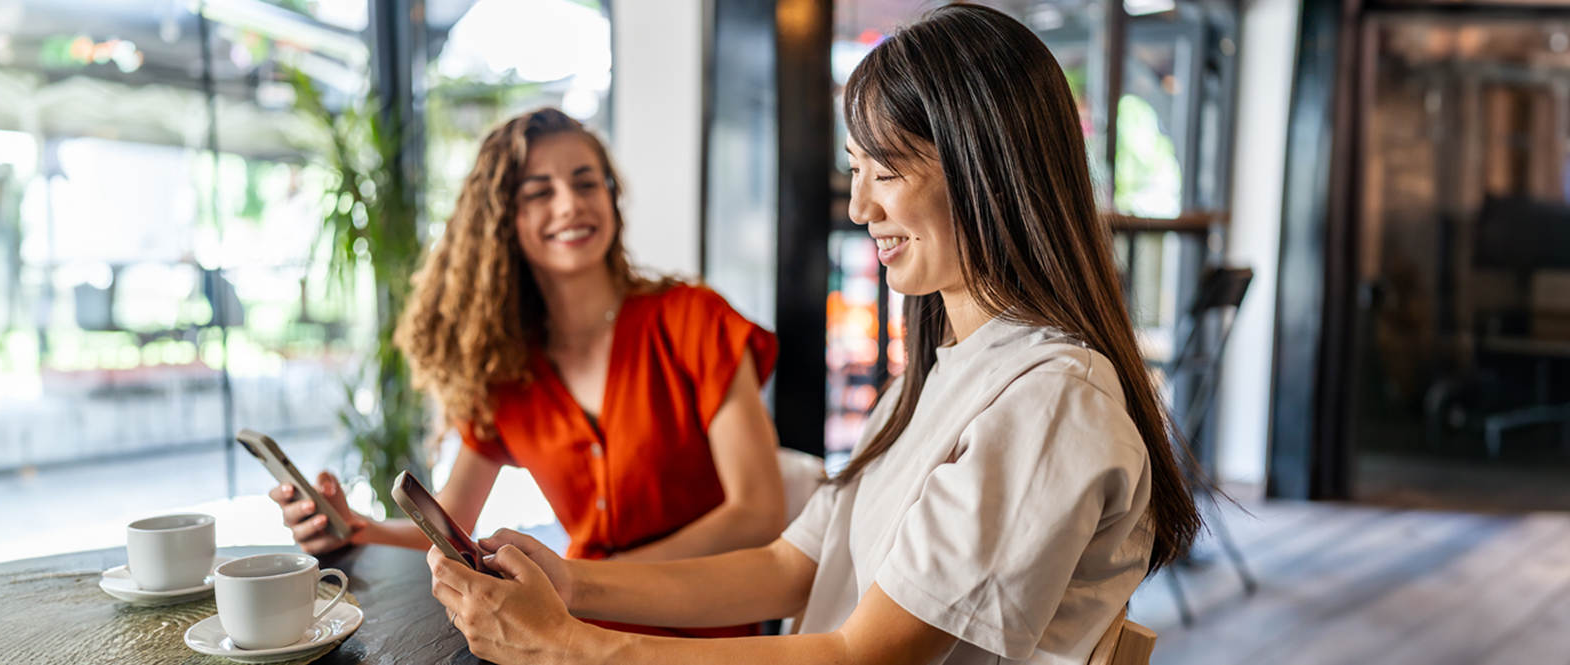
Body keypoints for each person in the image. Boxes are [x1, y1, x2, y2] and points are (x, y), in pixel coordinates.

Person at [423, 5, 1203, 664]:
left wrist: (569, 645)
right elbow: (791, 563)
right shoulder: (936, 375)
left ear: (988, 169)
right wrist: (572, 583)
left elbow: (859, 655)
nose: (860, 208)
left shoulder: (1049, 402)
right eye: (854, 169)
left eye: (886, 171)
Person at [270, 108, 787, 639]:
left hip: (703, 631)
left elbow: (759, 512)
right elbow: (453, 521)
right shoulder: (509, 369)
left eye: (587, 182)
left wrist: (584, 579)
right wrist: (356, 527)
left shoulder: (695, 320)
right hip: (569, 630)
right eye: (539, 192)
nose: (571, 203)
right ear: (503, 220)